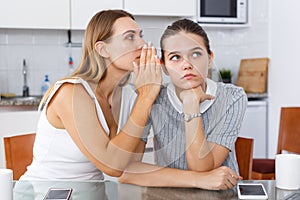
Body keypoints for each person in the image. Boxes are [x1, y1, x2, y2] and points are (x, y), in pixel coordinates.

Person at [19, 9, 162, 180]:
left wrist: (147, 97)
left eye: (141, 35)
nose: (142, 44)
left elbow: (129, 165)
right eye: (130, 37)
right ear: (103, 50)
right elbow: (112, 166)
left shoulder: (129, 95)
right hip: (45, 194)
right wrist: (145, 98)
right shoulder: (71, 93)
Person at [119, 18, 247, 190]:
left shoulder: (232, 97)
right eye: (175, 57)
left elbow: (201, 166)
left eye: (195, 54)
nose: (187, 65)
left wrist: (191, 105)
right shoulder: (153, 97)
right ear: (163, 66)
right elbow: (126, 170)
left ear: (210, 58)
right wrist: (197, 180)